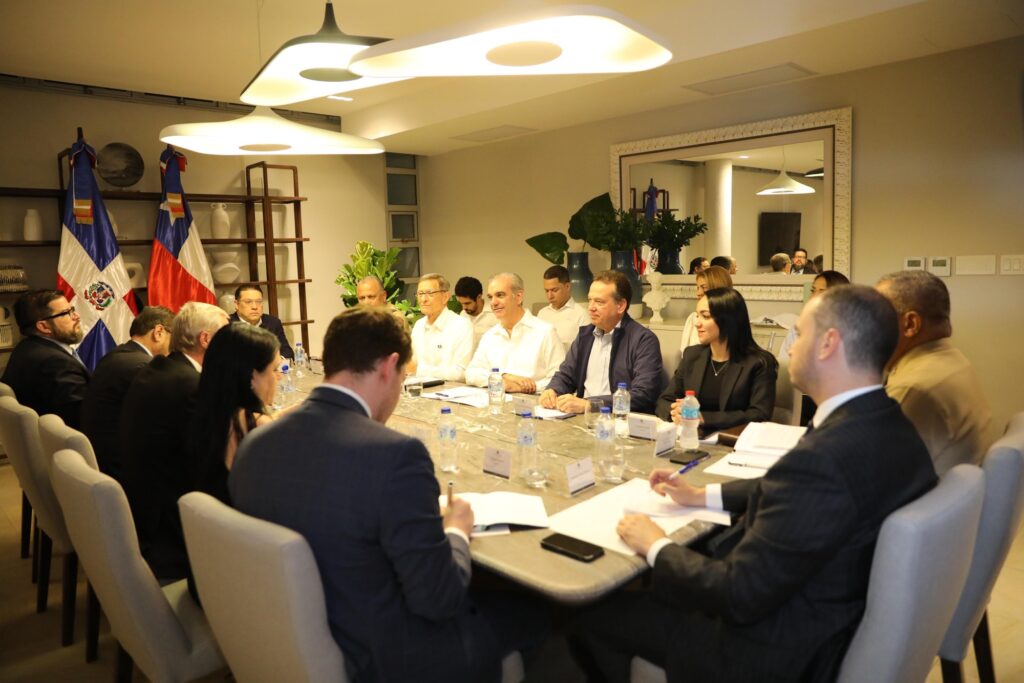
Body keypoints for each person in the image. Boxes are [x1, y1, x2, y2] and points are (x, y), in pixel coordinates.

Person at [570, 286, 938, 682]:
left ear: (828, 343)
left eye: (799, 334)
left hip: (766, 646)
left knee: (590, 610)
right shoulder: (888, 422)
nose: (790, 348)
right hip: (821, 602)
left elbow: (738, 593)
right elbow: (784, 485)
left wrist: (656, 544)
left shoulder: (825, 462)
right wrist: (700, 494)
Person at [229, 307, 546, 682]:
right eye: (402, 378)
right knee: (540, 607)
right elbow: (438, 599)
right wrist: (456, 530)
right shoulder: (395, 456)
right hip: (386, 657)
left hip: (286, 636)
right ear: (389, 366)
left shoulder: (254, 445)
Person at [120, 302, 229, 580]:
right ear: (206, 339)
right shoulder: (190, 385)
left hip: (142, 506)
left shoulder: (161, 369)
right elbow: (210, 464)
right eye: (226, 337)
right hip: (170, 529)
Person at [876, 270, 991, 474]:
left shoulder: (913, 389)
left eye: (876, 316)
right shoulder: (954, 361)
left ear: (910, 324)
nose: (869, 326)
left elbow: (872, 471)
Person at [540, 270, 663, 414]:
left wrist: (590, 404)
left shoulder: (643, 340)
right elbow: (566, 375)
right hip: (581, 418)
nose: (591, 307)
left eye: (599, 302)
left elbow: (643, 395)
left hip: (619, 419)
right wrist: (552, 390)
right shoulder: (585, 336)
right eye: (590, 300)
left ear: (621, 306)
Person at [657, 288, 777, 431]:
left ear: (728, 320)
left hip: (733, 440)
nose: (697, 323)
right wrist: (676, 412)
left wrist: (703, 418)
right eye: (697, 316)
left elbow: (759, 414)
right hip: (692, 436)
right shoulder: (692, 355)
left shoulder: (760, 363)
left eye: (705, 316)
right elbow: (664, 401)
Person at [188, 323, 280, 505]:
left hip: (214, 517)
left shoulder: (205, 409)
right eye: (274, 369)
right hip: (251, 519)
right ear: (252, 377)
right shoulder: (257, 426)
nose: (279, 377)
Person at [81, 306, 174, 483]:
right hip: (120, 470)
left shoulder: (116, 355)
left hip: (99, 459)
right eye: (174, 337)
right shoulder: (143, 366)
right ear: (159, 332)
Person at [2, 290, 90, 428]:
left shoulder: (25, 347)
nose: (76, 316)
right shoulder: (57, 363)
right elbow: (82, 419)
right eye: (66, 313)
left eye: (72, 310)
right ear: (43, 326)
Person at [465, 273, 565, 393]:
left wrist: (522, 388)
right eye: (490, 297)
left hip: (534, 401)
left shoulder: (545, 332)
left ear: (518, 297)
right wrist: (503, 377)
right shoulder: (489, 336)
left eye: (500, 295)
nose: (493, 303)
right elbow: (471, 373)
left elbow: (561, 380)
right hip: (495, 401)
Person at [408, 273, 474, 381]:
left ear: (445, 297)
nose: (423, 299)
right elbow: (411, 364)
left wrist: (420, 370)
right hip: (419, 387)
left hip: (450, 389)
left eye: (430, 293)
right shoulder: (419, 325)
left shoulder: (461, 325)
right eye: (420, 294)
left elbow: (461, 373)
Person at [778, 270, 850, 359]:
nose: (813, 297)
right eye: (813, 290)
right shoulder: (797, 329)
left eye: (822, 291)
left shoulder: (851, 332)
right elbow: (783, 363)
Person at [229, 284, 294, 359]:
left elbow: (287, 352)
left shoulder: (273, 323)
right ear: (236, 304)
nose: (254, 307)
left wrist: (276, 361)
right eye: (248, 302)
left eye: (259, 301)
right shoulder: (226, 324)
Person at [679, 265, 733, 352]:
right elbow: (684, 353)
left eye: (704, 287)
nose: (698, 293)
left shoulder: (734, 321)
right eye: (697, 288)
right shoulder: (693, 319)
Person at [536, 265, 589, 350]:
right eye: (546, 291)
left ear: (567, 287)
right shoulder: (542, 314)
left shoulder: (582, 315)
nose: (550, 296)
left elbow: (586, 349)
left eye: (554, 290)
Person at [454, 275, 497, 348]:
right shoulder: (463, 314)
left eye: (467, 303)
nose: (464, 308)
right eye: (461, 303)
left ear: (479, 297)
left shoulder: (495, 315)